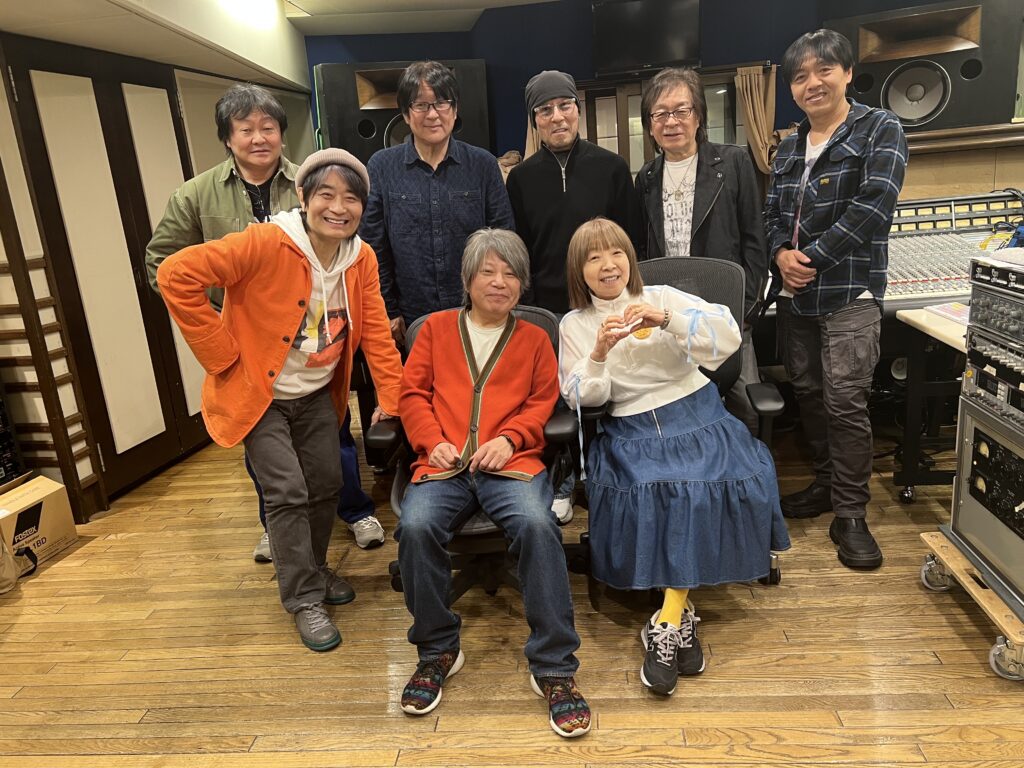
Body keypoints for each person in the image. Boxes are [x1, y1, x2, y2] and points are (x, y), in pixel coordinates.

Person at [157, 149, 403, 651]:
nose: (339, 207)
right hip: (261, 395)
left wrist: (393, 398)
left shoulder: (362, 259)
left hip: (316, 392)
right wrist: (221, 355)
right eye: (327, 195)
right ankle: (303, 598)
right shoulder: (266, 242)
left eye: (352, 198)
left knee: (327, 483)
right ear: (304, 197)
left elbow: (377, 329)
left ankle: (313, 569)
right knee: (287, 491)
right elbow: (175, 274)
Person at [144, 83, 387, 560]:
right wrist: (222, 323)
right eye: (246, 129)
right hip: (255, 351)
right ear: (227, 137)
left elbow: (351, 260)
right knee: (273, 465)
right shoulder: (196, 194)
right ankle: (279, 531)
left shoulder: (315, 178)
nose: (259, 138)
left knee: (333, 445)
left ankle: (353, 510)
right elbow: (164, 266)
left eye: (268, 128)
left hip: (318, 346)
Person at [558, 218, 789, 697]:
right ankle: (676, 618)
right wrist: (598, 352)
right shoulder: (574, 324)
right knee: (656, 490)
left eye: (616, 253)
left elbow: (727, 338)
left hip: (698, 412)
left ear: (630, 259)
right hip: (631, 426)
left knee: (710, 480)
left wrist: (667, 320)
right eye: (593, 258)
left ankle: (666, 621)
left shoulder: (662, 296)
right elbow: (580, 397)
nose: (607, 265)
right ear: (579, 271)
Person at [395, 228, 590, 738]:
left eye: (510, 274)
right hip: (444, 465)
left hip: (511, 464)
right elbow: (411, 395)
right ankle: (437, 650)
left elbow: (543, 402)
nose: (499, 282)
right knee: (415, 526)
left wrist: (510, 438)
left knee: (537, 525)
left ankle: (554, 667)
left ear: (522, 285)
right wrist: (432, 440)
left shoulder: (534, 339)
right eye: (488, 272)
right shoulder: (434, 330)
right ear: (468, 280)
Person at [764, 29, 908, 569]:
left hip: (849, 292)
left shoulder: (880, 129)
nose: (812, 83)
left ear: (847, 73)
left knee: (846, 402)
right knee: (808, 394)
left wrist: (812, 258)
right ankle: (826, 484)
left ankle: (851, 513)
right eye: (800, 76)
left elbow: (874, 206)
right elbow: (771, 214)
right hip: (796, 296)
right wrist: (780, 254)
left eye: (823, 70)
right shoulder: (787, 146)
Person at [506, 69, 637, 522]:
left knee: (609, 389)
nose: (557, 117)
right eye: (545, 110)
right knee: (557, 399)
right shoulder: (520, 179)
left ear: (577, 111)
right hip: (547, 309)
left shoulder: (611, 167)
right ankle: (564, 475)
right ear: (535, 120)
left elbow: (631, 243)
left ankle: (610, 474)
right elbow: (520, 249)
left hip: (604, 305)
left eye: (564, 106)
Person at [635, 67, 768, 433]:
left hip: (727, 307)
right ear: (650, 125)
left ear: (698, 116)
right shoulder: (647, 177)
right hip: (670, 311)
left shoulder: (734, 162)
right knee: (681, 403)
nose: (671, 121)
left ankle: (748, 466)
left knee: (745, 402)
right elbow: (644, 248)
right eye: (660, 113)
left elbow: (755, 240)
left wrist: (747, 307)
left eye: (682, 110)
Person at [360, 60, 514, 340]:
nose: (433, 114)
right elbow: (373, 246)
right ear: (406, 114)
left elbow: (504, 240)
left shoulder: (482, 165)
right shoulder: (382, 166)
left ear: (454, 110)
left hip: (476, 312)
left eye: (442, 103)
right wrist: (388, 309)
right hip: (410, 318)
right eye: (421, 105)